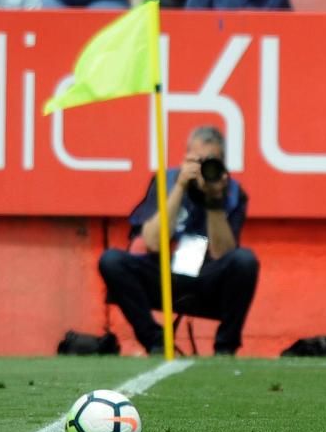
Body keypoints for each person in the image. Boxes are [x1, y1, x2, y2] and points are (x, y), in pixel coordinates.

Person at [98, 126, 259, 356]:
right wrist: (180, 187)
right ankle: (156, 342)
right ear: (186, 158)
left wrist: (213, 200)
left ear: (222, 162)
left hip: (206, 278)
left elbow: (223, 253)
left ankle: (226, 348)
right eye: (197, 160)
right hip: (163, 271)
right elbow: (151, 242)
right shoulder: (166, 181)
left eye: (209, 161)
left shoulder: (232, 192)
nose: (202, 168)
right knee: (112, 260)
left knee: (245, 260)